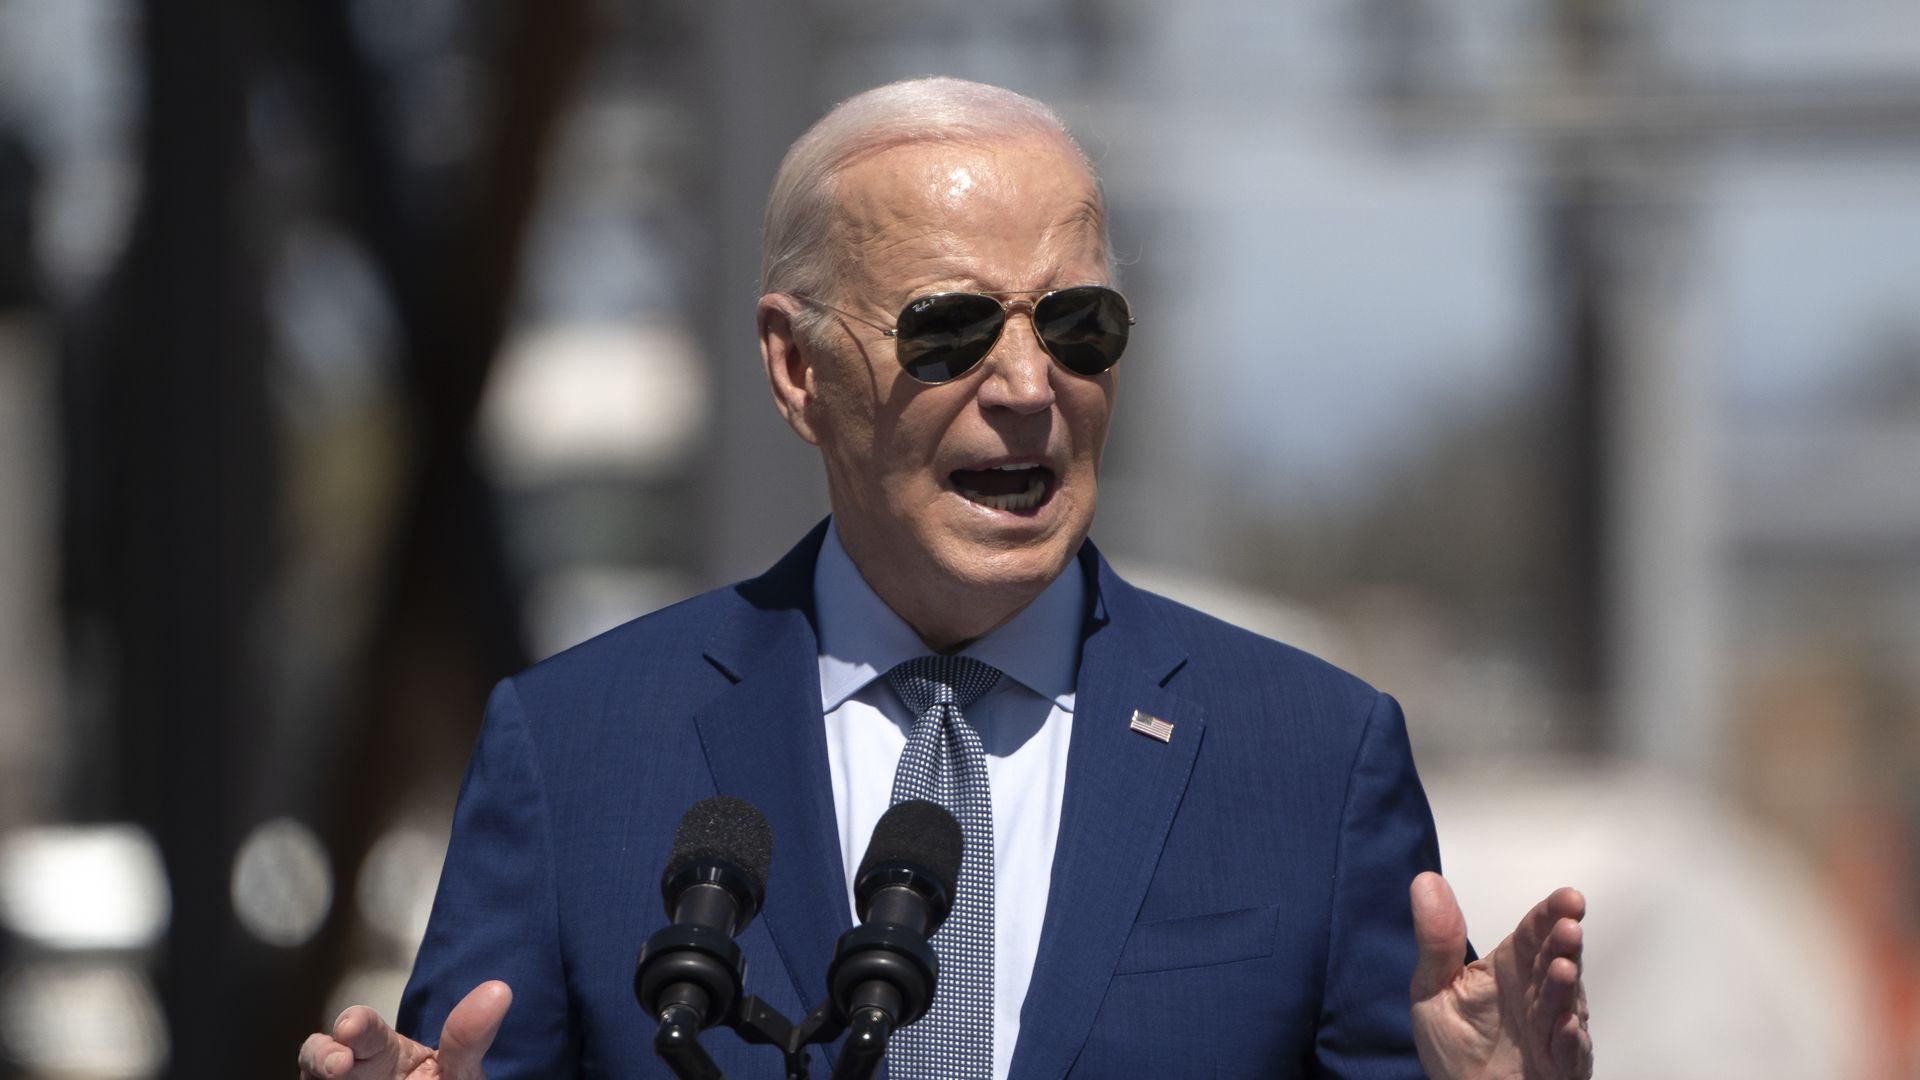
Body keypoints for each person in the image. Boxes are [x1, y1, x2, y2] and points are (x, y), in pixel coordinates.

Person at [298, 77, 1591, 1080]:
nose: (1029, 387)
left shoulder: (1310, 759)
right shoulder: (578, 751)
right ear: (797, 368)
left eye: (1077, 327)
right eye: (952, 328)